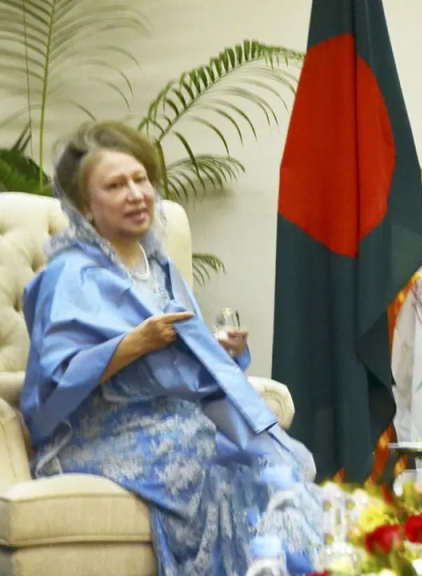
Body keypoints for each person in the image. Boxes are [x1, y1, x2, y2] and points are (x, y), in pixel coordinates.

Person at [21, 121, 323, 575]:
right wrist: (131, 345)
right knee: (216, 464)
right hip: (100, 431)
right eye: (116, 186)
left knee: (275, 460)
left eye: (141, 179)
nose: (136, 194)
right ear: (85, 205)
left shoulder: (159, 265)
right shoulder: (68, 274)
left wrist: (217, 347)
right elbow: (54, 383)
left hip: (176, 417)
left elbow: (179, 354)